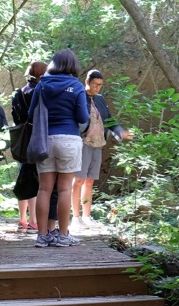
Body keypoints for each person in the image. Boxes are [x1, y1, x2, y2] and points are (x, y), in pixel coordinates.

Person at [29, 49, 89, 248]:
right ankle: (63, 236)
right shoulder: (76, 86)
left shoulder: (42, 84)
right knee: (64, 189)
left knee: (44, 189)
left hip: (44, 139)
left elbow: (31, 114)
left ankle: (42, 235)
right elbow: (82, 118)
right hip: (69, 139)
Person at [73, 69, 134, 231]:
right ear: (87, 82)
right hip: (83, 143)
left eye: (100, 85)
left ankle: (86, 217)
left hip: (98, 143)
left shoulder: (100, 100)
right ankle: (75, 217)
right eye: (95, 84)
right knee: (78, 180)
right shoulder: (79, 97)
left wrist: (120, 132)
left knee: (90, 180)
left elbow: (109, 120)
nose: (97, 88)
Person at [9, 61, 47, 233]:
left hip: (23, 140)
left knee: (24, 175)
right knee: (36, 180)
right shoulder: (40, 92)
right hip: (37, 139)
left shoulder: (19, 93)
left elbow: (16, 116)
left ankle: (23, 219)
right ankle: (33, 220)